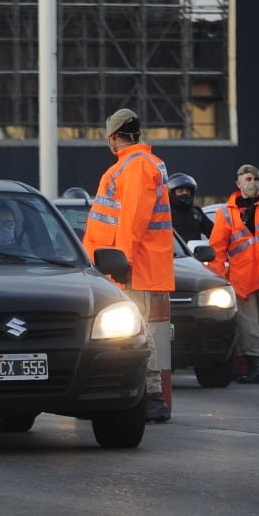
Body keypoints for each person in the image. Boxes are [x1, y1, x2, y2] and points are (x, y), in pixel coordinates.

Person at [82, 107, 175, 423]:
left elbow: (133, 220)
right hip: (129, 264)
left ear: (112, 137)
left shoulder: (134, 167)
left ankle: (151, 397)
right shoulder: (138, 165)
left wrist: (121, 261)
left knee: (139, 331)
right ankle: (136, 397)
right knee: (130, 331)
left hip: (131, 266)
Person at [207, 164, 259, 384]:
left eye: (255, 178)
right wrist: (217, 279)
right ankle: (255, 368)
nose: (251, 182)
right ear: (238, 184)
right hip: (242, 278)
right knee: (249, 325)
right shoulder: (226, 212)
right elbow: (217, 249)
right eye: (247, 178)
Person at [168, 172, 214, 243]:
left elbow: (216, 234)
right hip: (172, 253)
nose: (185, 193)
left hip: (195, 254)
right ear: (171, 193)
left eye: (187, 191)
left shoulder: (196, 213)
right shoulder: (164, 214)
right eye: (180, 191)